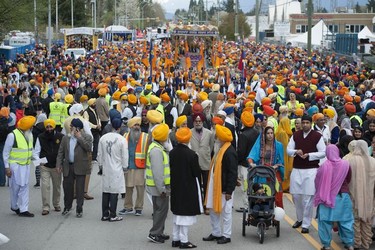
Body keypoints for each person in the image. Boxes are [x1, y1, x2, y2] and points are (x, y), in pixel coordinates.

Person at [287, 115, 326, 234]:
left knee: (308, 198)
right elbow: (288, 150)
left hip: (311, 169)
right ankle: (299, 219)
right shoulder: (296, 135)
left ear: (311, 123)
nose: (304, 125)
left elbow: (323, 152)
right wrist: (296, 152)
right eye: (303, 122)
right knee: (296, 196)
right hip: (297, 169)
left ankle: (306, 224)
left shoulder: (317, 136)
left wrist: (310, 155)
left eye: (307, 123)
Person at [314, 144, 354, 250]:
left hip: (326, 198)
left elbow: (317, 182)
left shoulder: (323, 166)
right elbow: (348, 179)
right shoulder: (346, 164)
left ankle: (326, 246)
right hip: (343, 196)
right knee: (346, 221)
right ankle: (349, 244)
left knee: (325, 222)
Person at [203, 125, 238, 244]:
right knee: (213, 210)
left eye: (217, 136)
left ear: (222, 138)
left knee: (226, 212)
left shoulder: (229, 152)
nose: (216, 137)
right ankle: (216, 232)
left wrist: (229, 191)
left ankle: (226, 235)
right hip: (215, 186)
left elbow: (233, 173)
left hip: (224, 189)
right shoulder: (219, 149)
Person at [170, 127, 202, 249]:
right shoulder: (192, 155)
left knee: (177, 214)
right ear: (188, 138)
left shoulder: (172, 153)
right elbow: (196, 173)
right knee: (185, 216)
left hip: (176, 186)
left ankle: (175, 238)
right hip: (188, 187)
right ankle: (184, 240)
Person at [56, 118, 93, 218]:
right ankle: (67, 207)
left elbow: (88, 148)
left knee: (80, 189)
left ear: (77, 128)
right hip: (68, 166)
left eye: (72, 126)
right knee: (67, 189)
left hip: (80, 167)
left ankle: (79, 209)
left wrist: (79, 137)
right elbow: (60, 152)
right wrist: (58, 164)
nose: (70, 128)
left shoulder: (87, 137)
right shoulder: (66, 138)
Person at [343, 140, 375, 250]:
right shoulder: (373, 161)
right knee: (367, 220)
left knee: (355, 220)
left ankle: (356, 243)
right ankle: (366, 243)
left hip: (353, 195)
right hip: (369, 197)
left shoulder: (349, 161)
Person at [3, 116, 36, 217]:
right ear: (27, 127)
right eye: (31, 126)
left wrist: (38, 160)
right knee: (15, 187)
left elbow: (31, 150)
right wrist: (7, 167)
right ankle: (14, 206)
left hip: (25, 166)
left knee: (24, 186)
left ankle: (23, 209)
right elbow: (6, 153)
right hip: (15, 166)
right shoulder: (12, 135)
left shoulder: (29, 135)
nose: (33, 128)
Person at [98, 118, 128, 222]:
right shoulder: (122, 139)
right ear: (119, 127)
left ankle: (105, 214)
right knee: (114, 191)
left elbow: (99, 154)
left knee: (106, 190)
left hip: (106, 167)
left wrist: (100, 166)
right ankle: (113, 214)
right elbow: (125, 156)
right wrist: (125, 167)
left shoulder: (103, 138)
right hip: (117, 168)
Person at [247, 126, 285, 208]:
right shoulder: (260, 145)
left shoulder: (279, 145)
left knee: (277, 195)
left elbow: (281, 161)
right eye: (268, 133)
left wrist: (276, 165)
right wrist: (251, 163)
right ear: (264, 135)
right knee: (261, 194)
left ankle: (276, 215)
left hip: (274, 172)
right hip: (261, 173)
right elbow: (251, 156)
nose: (270, 135)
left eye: (271, 133)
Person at [32, 119, 64, 215]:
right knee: (45, 186)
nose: (49, 129)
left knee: (57, 186)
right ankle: (45, 207)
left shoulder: (61, 136)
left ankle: (56, 204)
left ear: (54, 127)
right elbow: (36, 151)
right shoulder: (40, 137)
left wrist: (61, 163)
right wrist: (39, 161)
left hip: (56, 166)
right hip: (45, 166)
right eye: (47, 127)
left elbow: (63, 151)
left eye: (51, 127)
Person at [146, 124, 171, 244]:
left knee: (160, 210)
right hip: (159, 188)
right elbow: (158, 172)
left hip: (157, 187)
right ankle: (154, 233)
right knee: (161, 210)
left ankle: (159, 231)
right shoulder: (156, 150)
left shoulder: (157, 147)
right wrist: (162, 189)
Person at [119, 117, 149, 216]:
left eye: (138, 125)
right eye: (135, 125)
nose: (137, 127)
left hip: (140, 166)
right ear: (130, 127)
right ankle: (128, 207)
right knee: (128, 187)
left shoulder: (145, 136)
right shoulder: (125, 136)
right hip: (128, 165)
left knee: (140, 188)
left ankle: (139, 208)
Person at [190, 113, 214, 214]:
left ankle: (206, 205)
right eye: (196, 121)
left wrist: (206, 153)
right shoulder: (189, 132)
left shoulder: (209, 133)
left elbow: (211, 146)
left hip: (206, 162)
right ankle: (198, 205)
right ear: (193, 122)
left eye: (200, 121)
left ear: (202, 122)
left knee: (207, 186)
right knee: (197, 185)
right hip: (194, 163)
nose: (198, 123)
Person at [236, 111, 259, 212]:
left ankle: (246, 206)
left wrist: (237, 161)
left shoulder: (243, 135)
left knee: (245, 186)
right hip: (255, 163)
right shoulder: (257, 132)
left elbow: (241, 151)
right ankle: (254, 204)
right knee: (253, 184)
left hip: (244, 164)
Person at [275, 117, 293, 192]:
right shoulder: (283, 134)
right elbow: (285, 147)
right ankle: (285, 186)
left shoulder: (281, 132)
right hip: (285, 156)